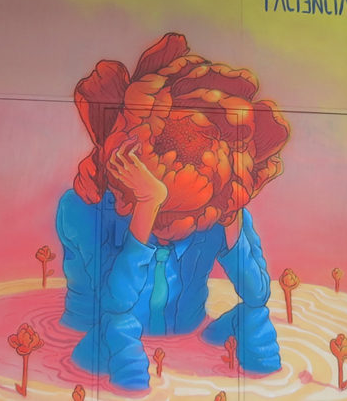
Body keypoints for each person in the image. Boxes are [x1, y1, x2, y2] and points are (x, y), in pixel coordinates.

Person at [57, 143, 281, 391]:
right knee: (120, 343)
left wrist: (230, 212)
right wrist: (147, 205)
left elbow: (257, 295)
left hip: (190, 335)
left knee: (254, 321)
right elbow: (115, 304)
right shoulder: (83, 209)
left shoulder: (219, 211)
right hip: (93, 337)